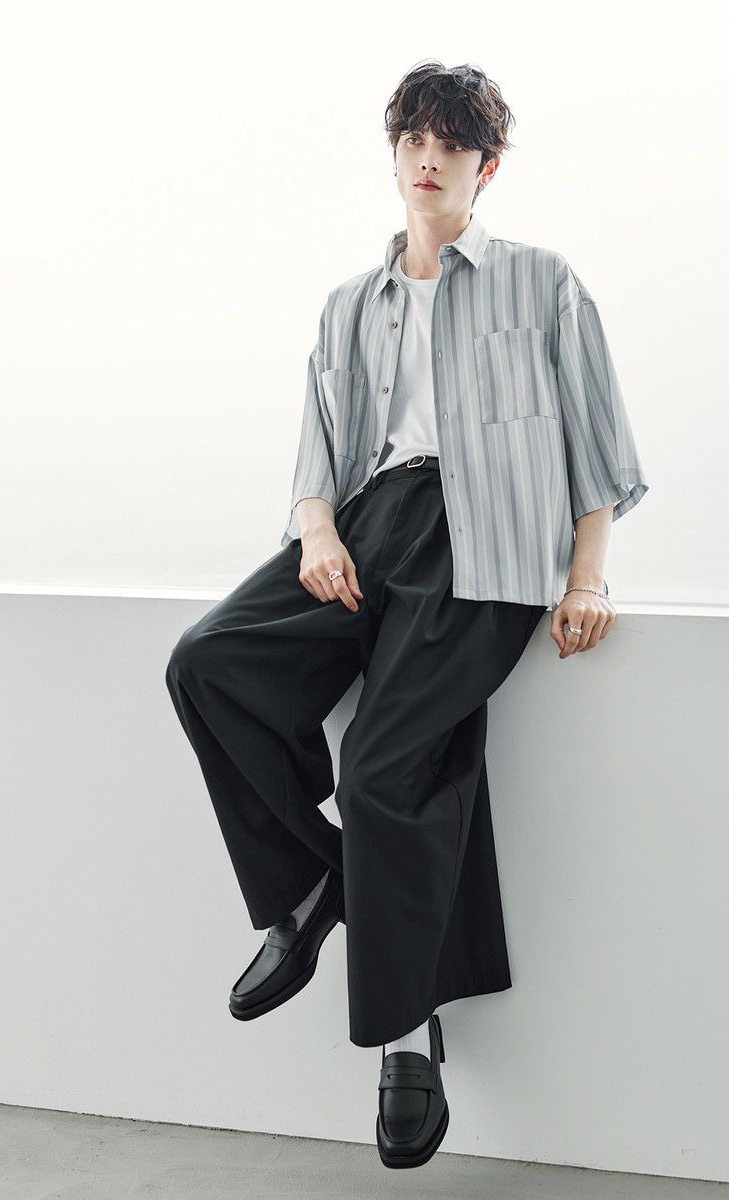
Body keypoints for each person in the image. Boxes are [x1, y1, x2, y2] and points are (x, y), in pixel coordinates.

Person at [165, 59, 648, 1169]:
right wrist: (318, 532)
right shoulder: (349, 304)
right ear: (394, 156)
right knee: (207, 663)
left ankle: (403, 1035)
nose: (429, 159)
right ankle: (311, 887)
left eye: (452, 144)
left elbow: (599, 451)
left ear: (488, 167)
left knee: (383, 770)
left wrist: (587, 578)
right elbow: (317, 459)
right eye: (413, 141)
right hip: (364, 529)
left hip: (484, 552)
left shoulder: (542, 283)